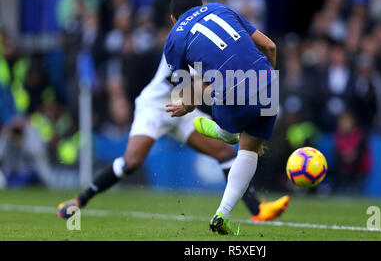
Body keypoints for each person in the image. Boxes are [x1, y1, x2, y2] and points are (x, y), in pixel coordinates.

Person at [56, 53, 290, 222]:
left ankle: (258, 210)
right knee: (131, 162)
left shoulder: (208, 46)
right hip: (157, 106)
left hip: (183, 106)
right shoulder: (182, 43)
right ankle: (80, 200)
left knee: (225, 153)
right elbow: (191, 84)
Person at [163, 0, 279, 235]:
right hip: (267, 82)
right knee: (250, 150)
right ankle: (221, 214)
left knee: (230, 134)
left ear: (173, 19)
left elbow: (188, 94)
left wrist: (187, 106)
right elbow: (269, 45)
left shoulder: (174, 39)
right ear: (201, 5)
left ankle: (223, 131)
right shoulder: (221, 8)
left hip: (230, 89)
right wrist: (268, 77)